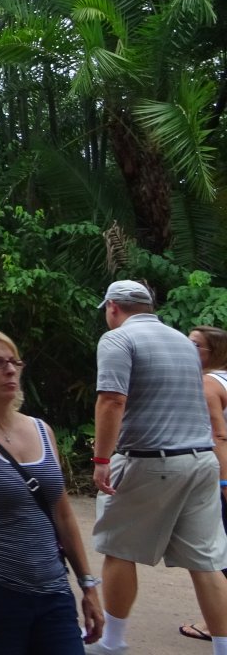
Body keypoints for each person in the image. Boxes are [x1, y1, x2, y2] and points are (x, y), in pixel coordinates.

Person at [0, 327, 103, 654]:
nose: (10, 370)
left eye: (14, 362)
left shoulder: (41, 430)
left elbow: (63, 515)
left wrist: (88, 585)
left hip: (53, 589)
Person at [85, 280, 227, 655]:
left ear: (113, 307)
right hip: (201, 462)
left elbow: (112, 400)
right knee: (207, 562)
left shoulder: (116, 340)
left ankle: (112, 643)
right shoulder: (183, 341)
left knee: (118, 549)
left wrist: (102, 460)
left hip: (150, 460)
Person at [183, 325, 227, 642]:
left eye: (195, 345)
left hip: (221, 473)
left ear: (214, 352)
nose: (186, 347)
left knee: (218, 552)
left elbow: (218, 436)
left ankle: (217, 624)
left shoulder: (208, 384)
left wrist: (223, 481)